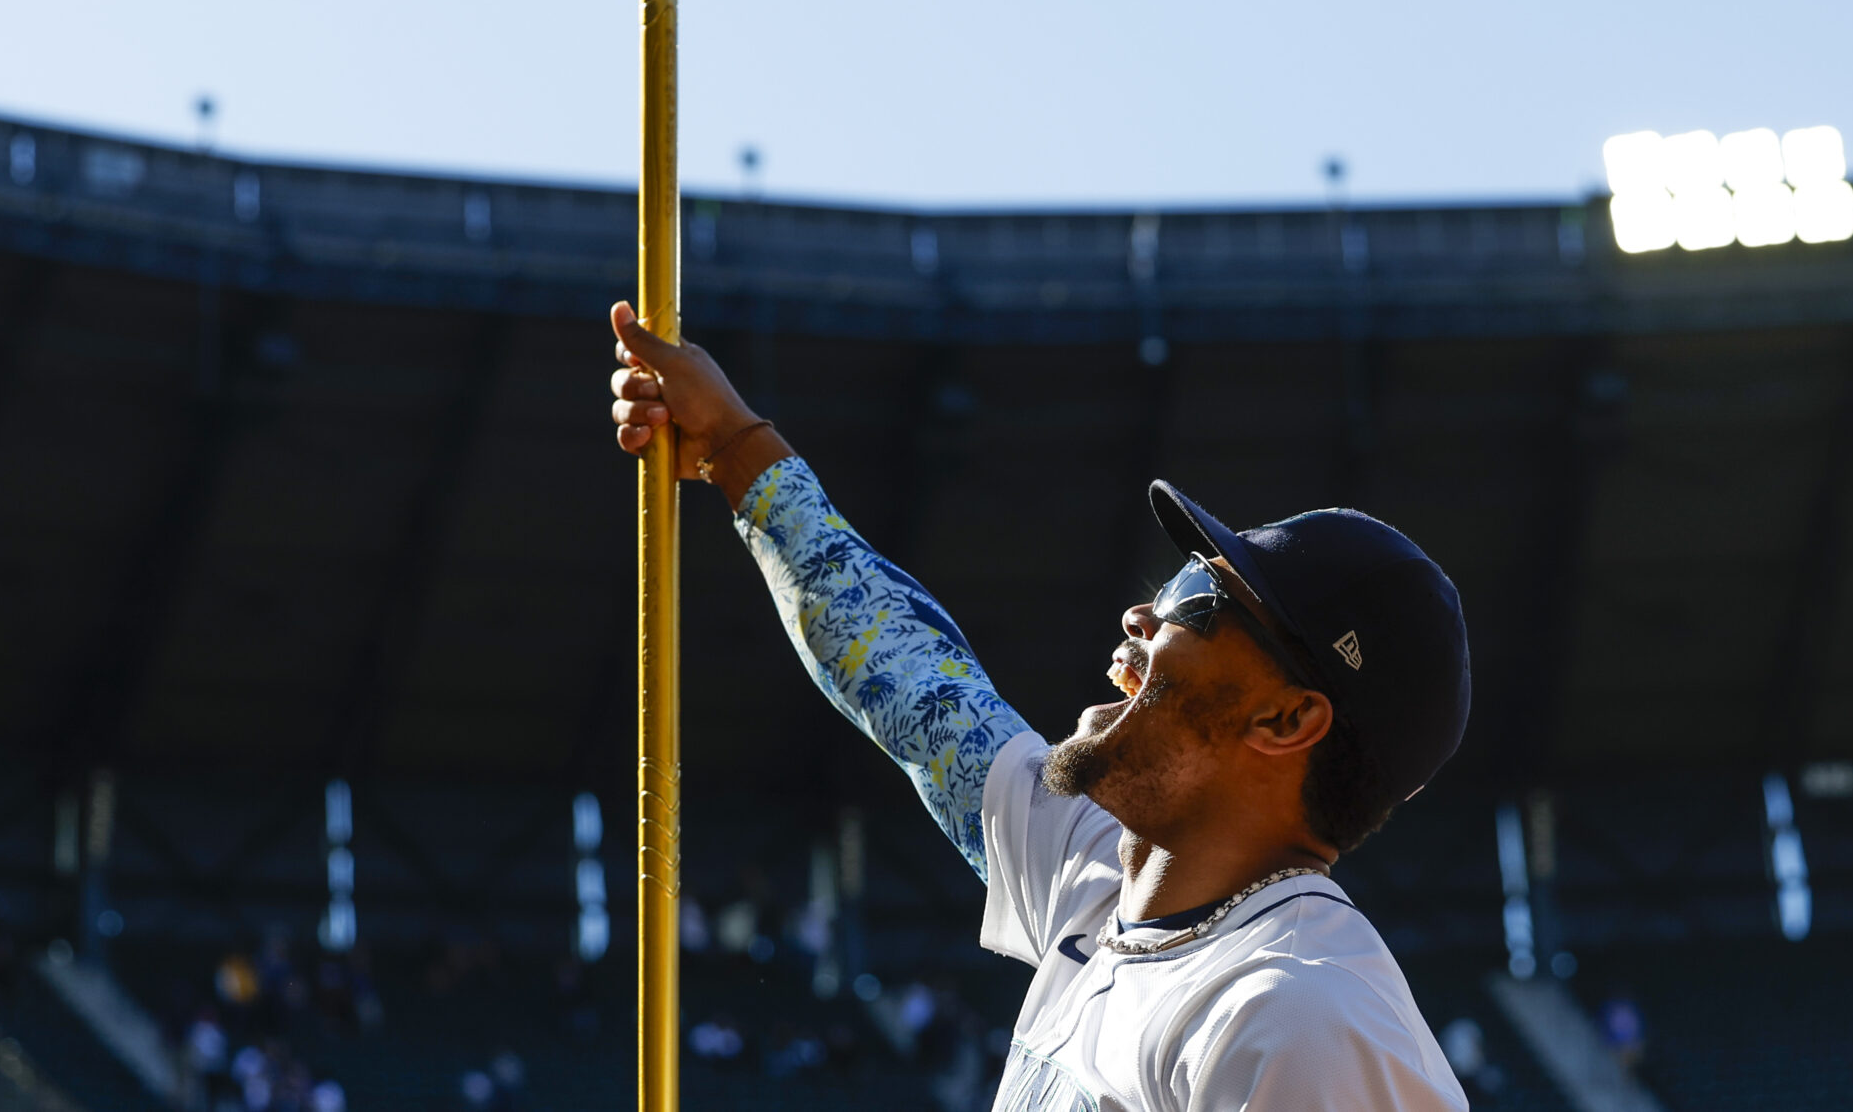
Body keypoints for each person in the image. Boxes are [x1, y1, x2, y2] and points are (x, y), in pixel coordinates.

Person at [606, 301, 1474, 1112]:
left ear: (1287, 721)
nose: (1144, 612)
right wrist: (732, 443)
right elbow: (913, 684)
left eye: (1196, 601)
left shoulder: (1302, 1021)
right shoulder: (1103, 876)